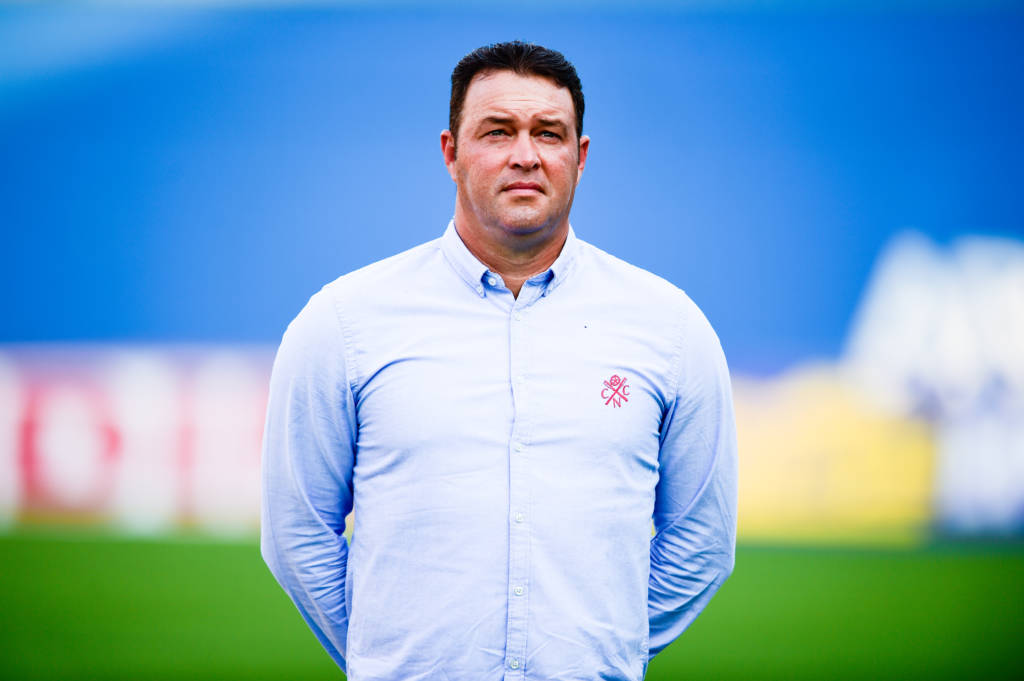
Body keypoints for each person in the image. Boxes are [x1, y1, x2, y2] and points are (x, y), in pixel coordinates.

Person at [261, 41, 737, 681]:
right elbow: (297, 532)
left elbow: (702, 542)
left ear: (580, 156)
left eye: (549, 133)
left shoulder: (669, 327)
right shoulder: (344, 323)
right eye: (497, 131)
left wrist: (602, 652)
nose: (525, 155)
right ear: (450, 152)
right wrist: (389, 655)